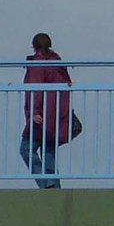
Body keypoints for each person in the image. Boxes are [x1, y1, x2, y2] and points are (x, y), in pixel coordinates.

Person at [21, 32, 74, 188]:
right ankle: (53, 187)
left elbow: (36, 89)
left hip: (42, 115)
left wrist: (33, 112)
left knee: (26, 149)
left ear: (34, 46)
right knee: (48, 152)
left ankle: (46, 184)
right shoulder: (58, 63)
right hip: (56, 115)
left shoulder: (38, 63)